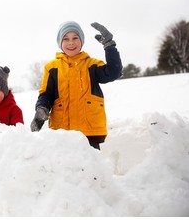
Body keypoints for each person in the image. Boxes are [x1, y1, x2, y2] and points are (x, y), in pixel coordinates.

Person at [30, 21, 122, 150]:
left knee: (91, 168)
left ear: (81, 41)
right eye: (66, 39)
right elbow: (46, 94)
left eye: (75, 38)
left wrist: (109, 46)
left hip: (89, 131)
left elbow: (114, 72)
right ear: (60, 43)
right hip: (62, 132)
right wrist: (41, 109)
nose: (71, 42)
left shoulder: (91, 65)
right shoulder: (52, 68)